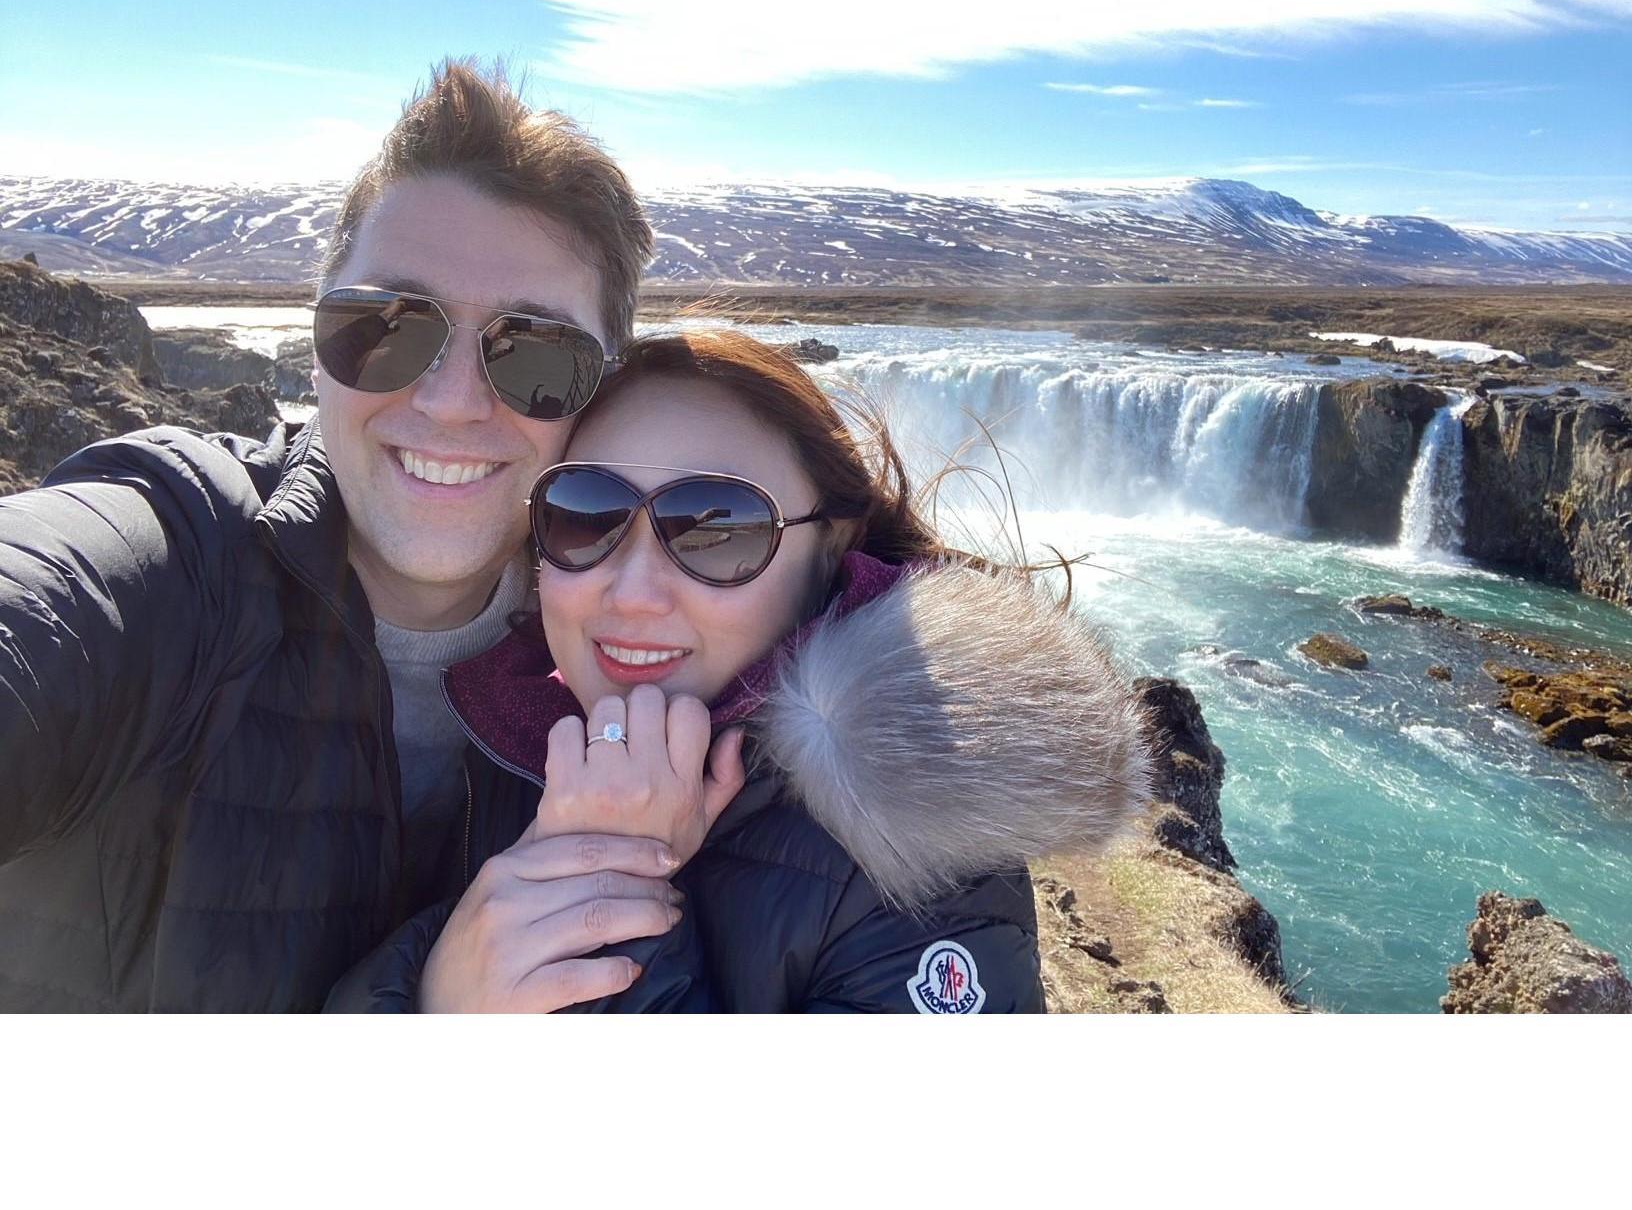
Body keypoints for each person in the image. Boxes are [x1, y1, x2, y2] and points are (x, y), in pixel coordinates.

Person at [0, 59, 684, 1012]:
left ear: (601, 394)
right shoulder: (174, 554)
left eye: (534, 354)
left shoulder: (653, 647)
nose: (449, 404)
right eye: (387, 328)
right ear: (315, 351)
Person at [328, 331, 1152, 1013]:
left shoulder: (921, 841)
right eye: (585, 515)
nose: (634, 590)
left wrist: (614, 898)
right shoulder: (509, 740)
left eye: (716, 530)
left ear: (831, 549)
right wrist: (433, 996)